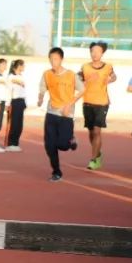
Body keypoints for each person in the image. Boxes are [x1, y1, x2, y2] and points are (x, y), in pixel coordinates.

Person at [37, 47, 84, 182]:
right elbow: (42, 88)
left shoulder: (71, 75)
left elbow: (82, 90)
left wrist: (70, 104)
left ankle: (71, 139)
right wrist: (40, 98)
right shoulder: (47, 74)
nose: (53, 62)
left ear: (61, 59)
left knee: (63, 145)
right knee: (49, 145)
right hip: (51, 113)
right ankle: (57, 172)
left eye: (56, 59)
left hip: (66, 115)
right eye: (51, 59)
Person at [80, 41, 116, 170]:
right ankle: (98, 153)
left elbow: (114, 76)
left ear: (102, 53)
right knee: (91, 132)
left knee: (96, 131)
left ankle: (93, 159)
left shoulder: (108, 67)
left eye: (98, 51)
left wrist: (110, 79)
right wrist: (85, 80)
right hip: (87, 102)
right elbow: (78, 80)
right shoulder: (85, 67)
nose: (95, 54)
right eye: (92, 51)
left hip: (102, 103)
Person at [5, 59, 27, 151]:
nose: (24, 67)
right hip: (14, 101)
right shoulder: (11, 77)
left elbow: (23, 90)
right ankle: (10, 144)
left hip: (21, 102)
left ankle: (15, 143)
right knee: (13, 124)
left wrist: (25, 102)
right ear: (18, 66)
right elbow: (9, 90)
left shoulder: (21, 76)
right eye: (23, 65)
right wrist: (7, 103)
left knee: (19, 125)